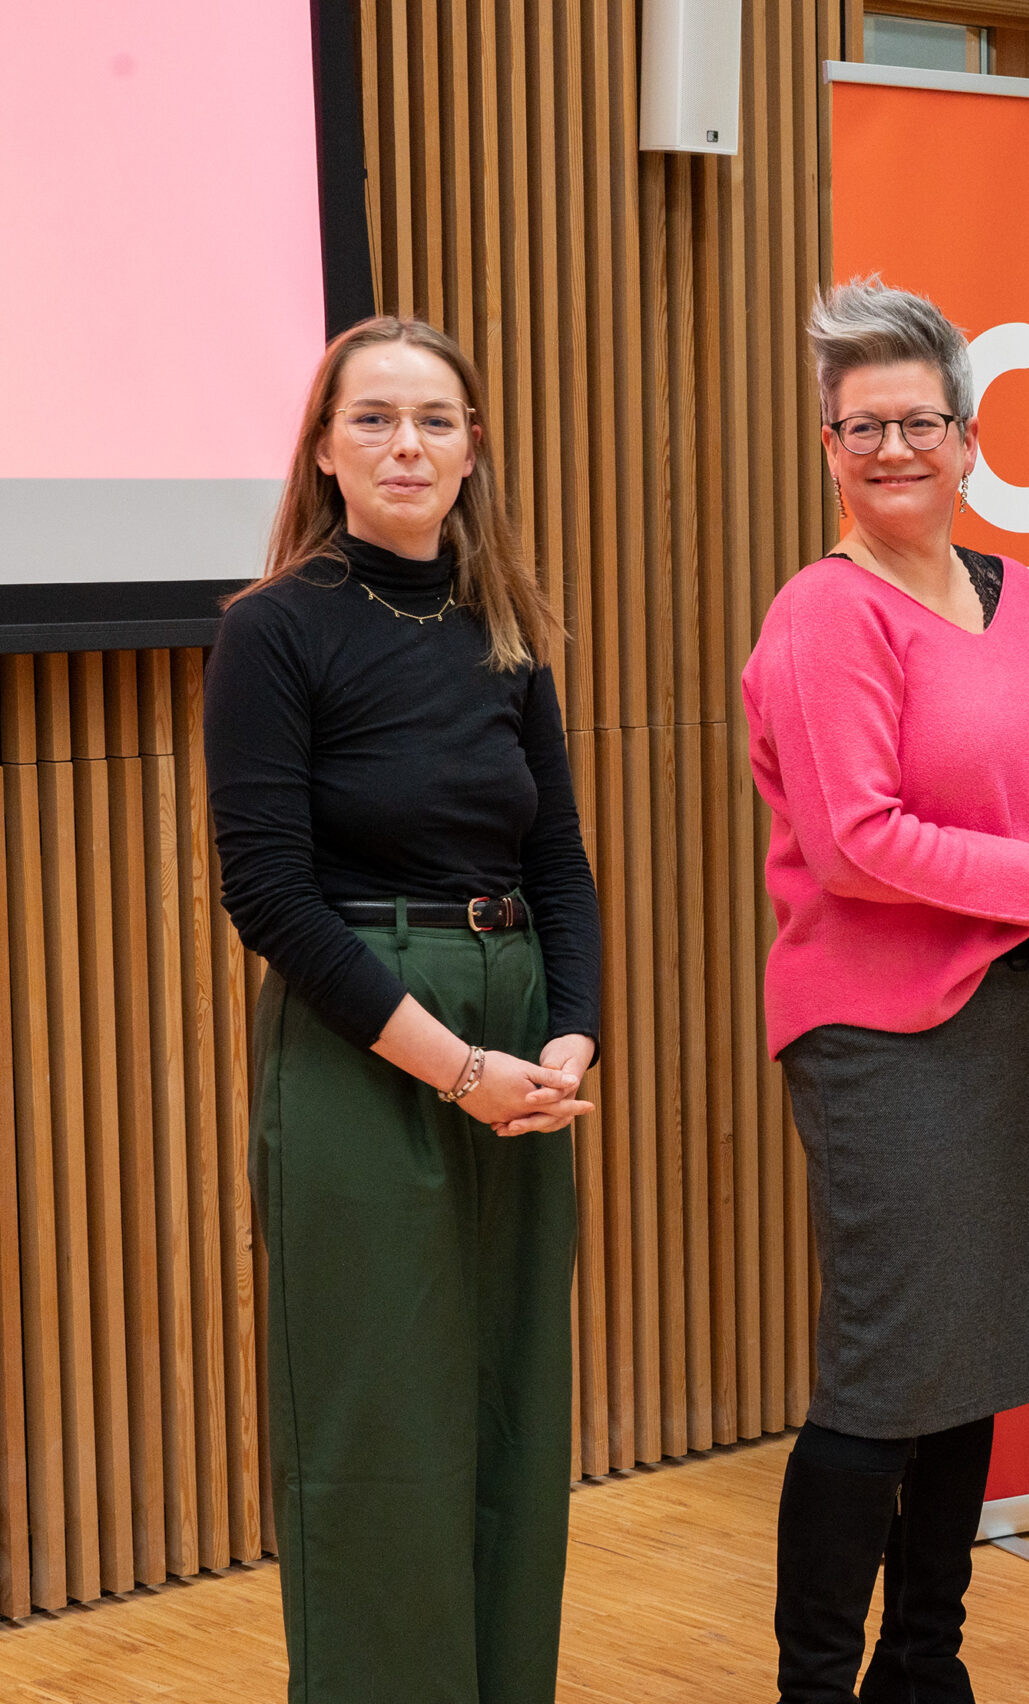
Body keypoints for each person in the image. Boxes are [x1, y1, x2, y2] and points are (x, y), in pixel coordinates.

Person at [740, 275, 1029, 1704]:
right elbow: (856, 840)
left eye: (919, 419)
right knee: (882, 1375)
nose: (894, 447)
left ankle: (926, 1666)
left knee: (967, 1361)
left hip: (1009, 1021)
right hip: (879, 1035)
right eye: (862, 427)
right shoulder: (823, 613)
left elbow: (1024, 788)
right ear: (829, 449)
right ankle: (819, 1683)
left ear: (972, 438)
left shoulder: (1017, 593)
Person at [205, 315, 603, 1703]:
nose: (407, 444)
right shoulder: (274, 629)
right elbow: (267, 895)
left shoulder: (506, 625)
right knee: (381, 1433)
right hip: (371, 1041)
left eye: (435, 418)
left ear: (474, 447)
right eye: (372, 418)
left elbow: (556, 857)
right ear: (324, 448)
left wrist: (571, 1035)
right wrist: (454, 1069)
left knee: (508, 1418)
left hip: (516, 1032)